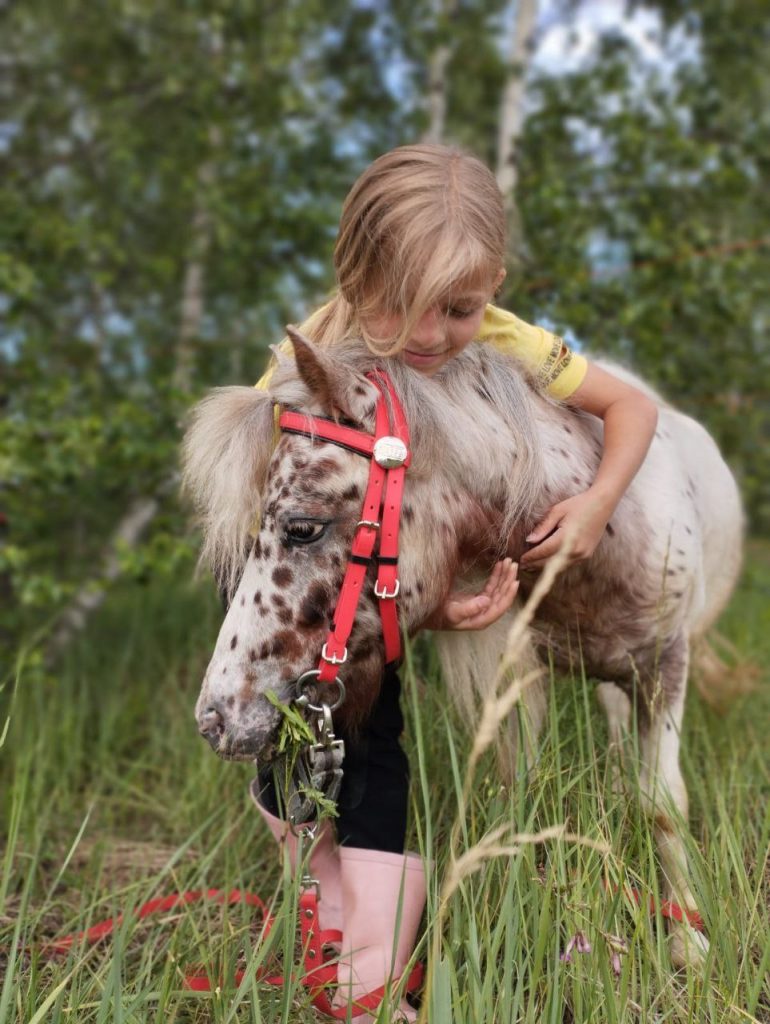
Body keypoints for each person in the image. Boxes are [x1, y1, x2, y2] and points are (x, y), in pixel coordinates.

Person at [249, 143, 658, 1022]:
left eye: (459, 308)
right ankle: (314, 904)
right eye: (397, 308)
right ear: (351, 278)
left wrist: (596, 503)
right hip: (295, 589)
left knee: (373, 743)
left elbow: (633, 407)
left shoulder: (506, 337)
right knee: (289, 738)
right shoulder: (314, 356)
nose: (429, 335)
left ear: (494, 284)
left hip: (381, 592)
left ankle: (366, 974)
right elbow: (273, 512)